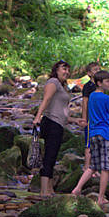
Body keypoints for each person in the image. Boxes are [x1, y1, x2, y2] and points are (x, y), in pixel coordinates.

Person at [71, 70, 109, 206]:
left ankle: (77, 188)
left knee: (92, 166)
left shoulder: (92, 96)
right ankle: (100, 198)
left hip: (93, 134)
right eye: (108, 81)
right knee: (105, 168)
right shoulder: (106, 99)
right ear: (99, 83)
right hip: (105, 134)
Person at [32, 60, 72, 198]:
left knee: (52, 156)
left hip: (58, 123)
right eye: (63, 69)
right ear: (56, 70)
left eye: (68, 70)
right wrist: (38, 117)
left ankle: (49, 190)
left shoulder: (62, 86)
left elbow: (61, 110)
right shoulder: (53, 82)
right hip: (51, 123)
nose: (66, 72)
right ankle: (44, 192)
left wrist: (75, 120)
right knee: (49, 156)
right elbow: (46, 100)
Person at [79, 61, 100, 172]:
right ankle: (87, 166)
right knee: (89, 143)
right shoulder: (88, 86)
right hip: (90, 118)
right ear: (89, 73)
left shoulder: (100, 86)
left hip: (99, 118)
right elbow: (85, 102)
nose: (98, 71)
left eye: (99, 69)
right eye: (95, 70)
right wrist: (84, 118)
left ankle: (95, 167)